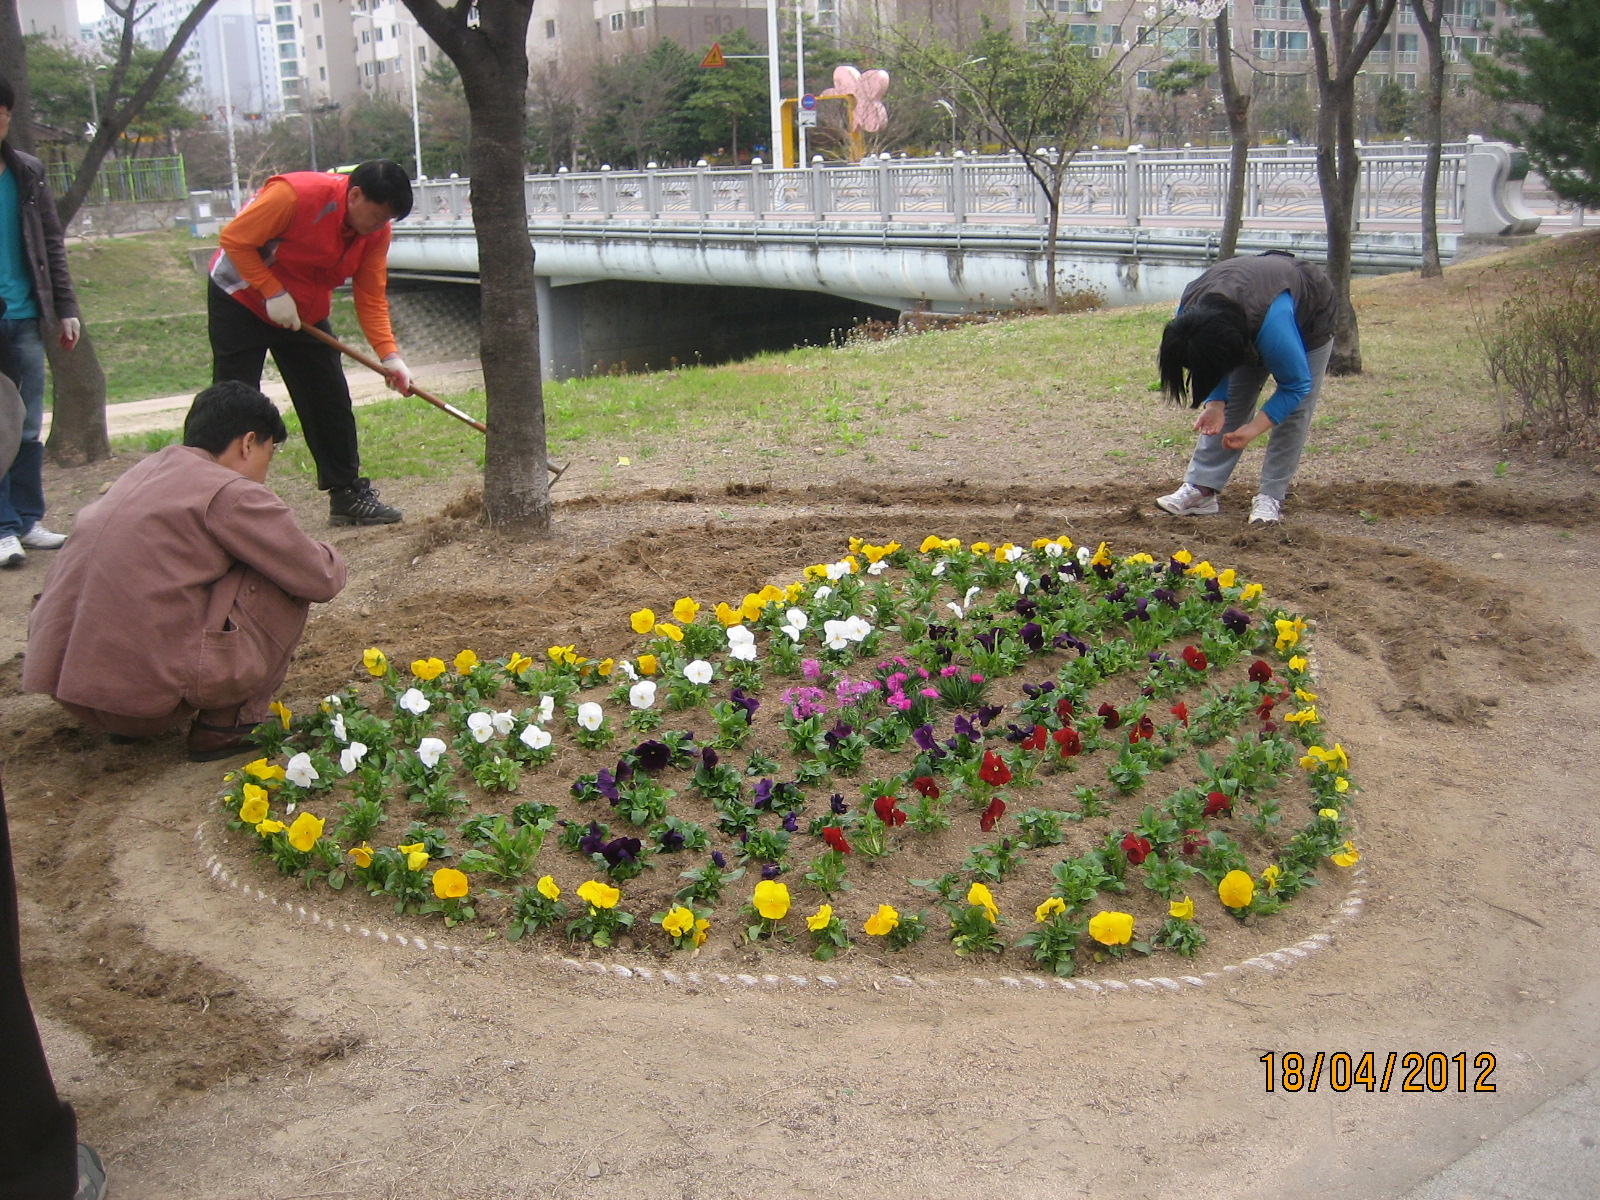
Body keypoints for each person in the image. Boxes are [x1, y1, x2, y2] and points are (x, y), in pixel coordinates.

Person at [24, 381, 346, 762]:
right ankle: (229, 725)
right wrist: (330, 555)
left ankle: (126, 712)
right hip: (146, 704)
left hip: (72, 687)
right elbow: (319, 577)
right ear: (248, 443)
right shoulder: (231, 491)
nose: (266, 467)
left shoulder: (144, 471)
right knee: (278, 571)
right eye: (269, 452)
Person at [208, 159, 413, 526]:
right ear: (355, 195)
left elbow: (370, 296)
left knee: (328, 396)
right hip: (240, 295)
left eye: (387, 221)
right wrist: (271, 290)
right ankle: (224, 497)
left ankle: (347, 493)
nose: (380, 227)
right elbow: (235, 240)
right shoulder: (294, 195)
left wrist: (390, 355)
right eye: (377, 216)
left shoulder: (375, 233)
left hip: (302, 309)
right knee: (235, 399)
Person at [1153, 250, 1337, 525]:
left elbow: (1295, 386)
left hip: (1308, 314)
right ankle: (1201, 489)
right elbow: (1209, 364)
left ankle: (1271, 495)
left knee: (1294, 410)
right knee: (1235, 397)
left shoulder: (1272, 326)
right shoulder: (1190, 315)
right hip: (1243, 311)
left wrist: (1253, 430)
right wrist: (1215, 403)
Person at [0, 75, 83, 570]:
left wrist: (66, 307)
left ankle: (28, 520)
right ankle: (2, 526)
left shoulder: (27, 172)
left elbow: (51, 243)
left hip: (26, 315)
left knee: (27, 424)